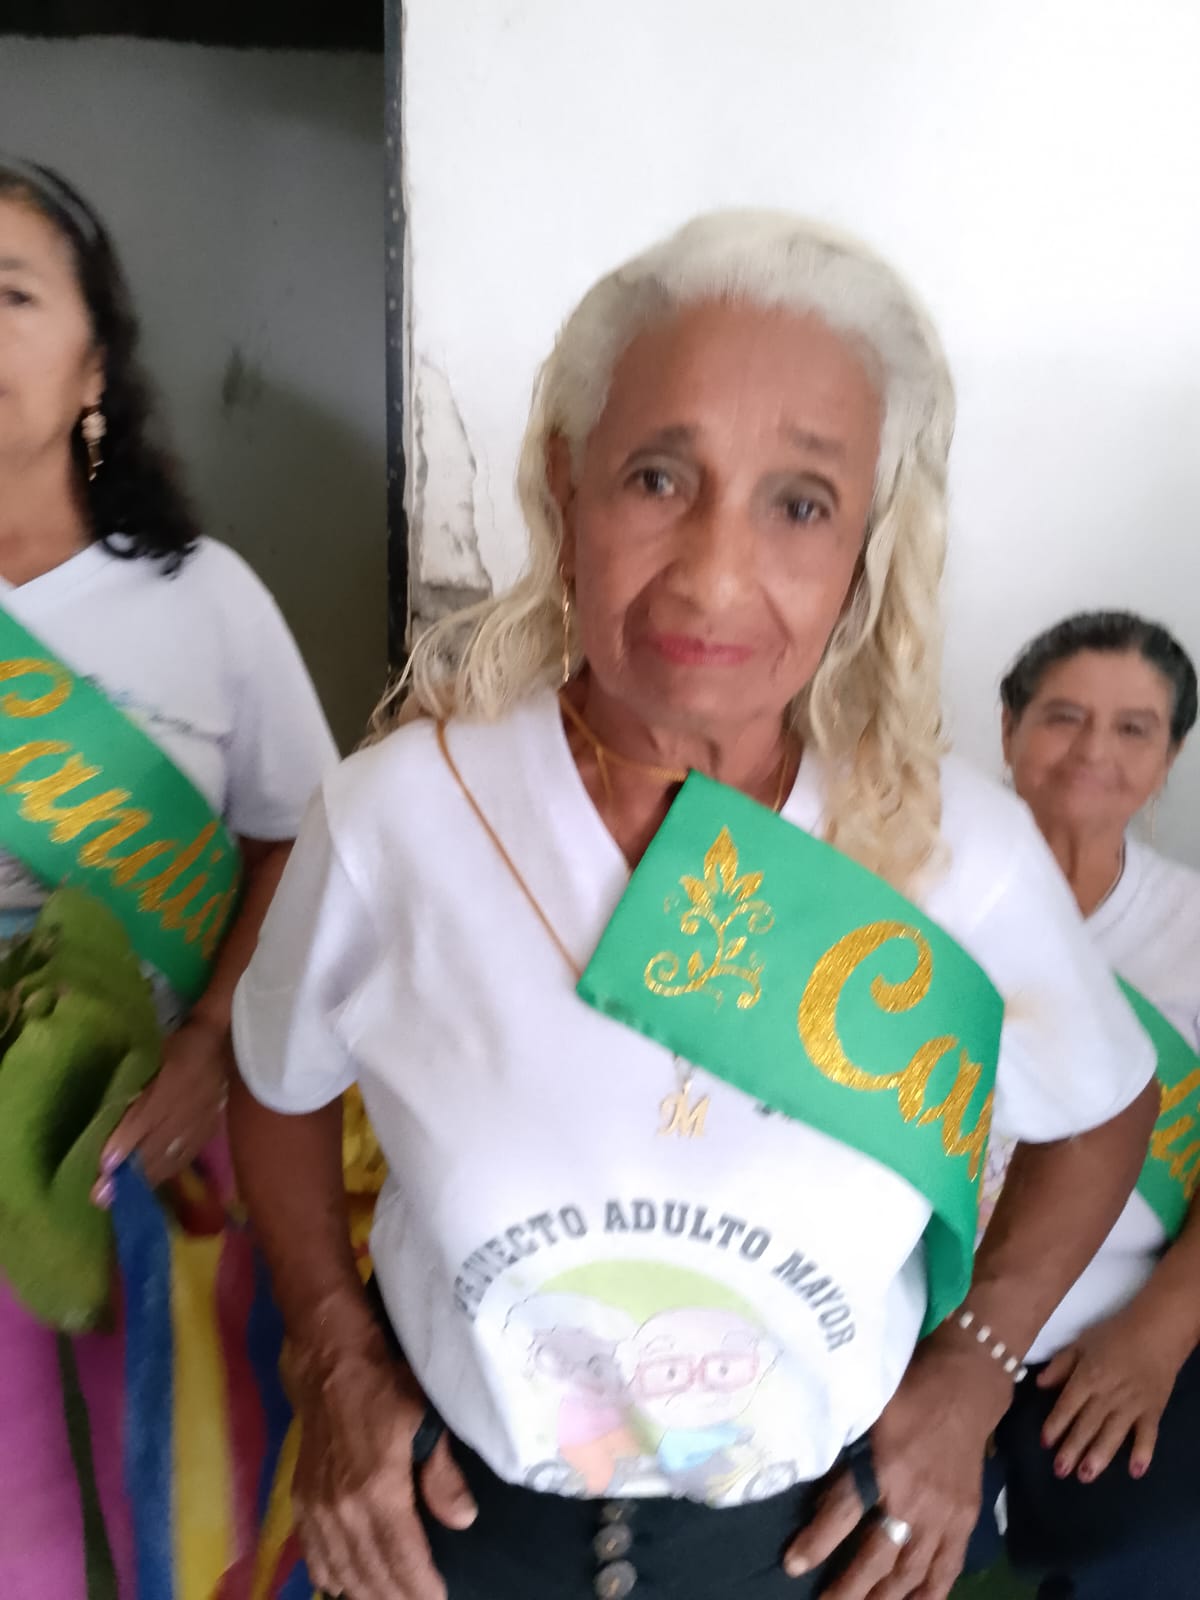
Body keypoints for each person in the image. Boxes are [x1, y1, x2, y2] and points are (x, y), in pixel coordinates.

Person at [230, 211, 1160, 1600]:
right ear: (567, 486)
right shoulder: (401, 818)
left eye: (801, 503)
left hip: (809, 1549)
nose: (716, 576)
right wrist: (332, 1349)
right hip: (456, 1538)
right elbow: (274, 1084)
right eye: (659, 478)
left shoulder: (952, 853)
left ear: (867, 541)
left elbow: (1102, 1112)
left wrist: (974, 1372)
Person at [0, 158, 337, 1597]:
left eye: (11, 293)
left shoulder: (204, 600)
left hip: (156, 1151)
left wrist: (206, 1047)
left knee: (179, 1514)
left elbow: (301, 845)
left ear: (96, 367)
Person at [974, 611, 1200, 1598]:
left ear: (1170, 757)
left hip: (1117, 1329)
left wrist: (1160, 1330)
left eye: (1133, 728)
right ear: (1009, 727)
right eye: (1064, 715)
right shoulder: (920, 881)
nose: (1093, 750)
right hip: (910, 1325)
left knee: (1154, 1547)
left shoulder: (1190, 927)